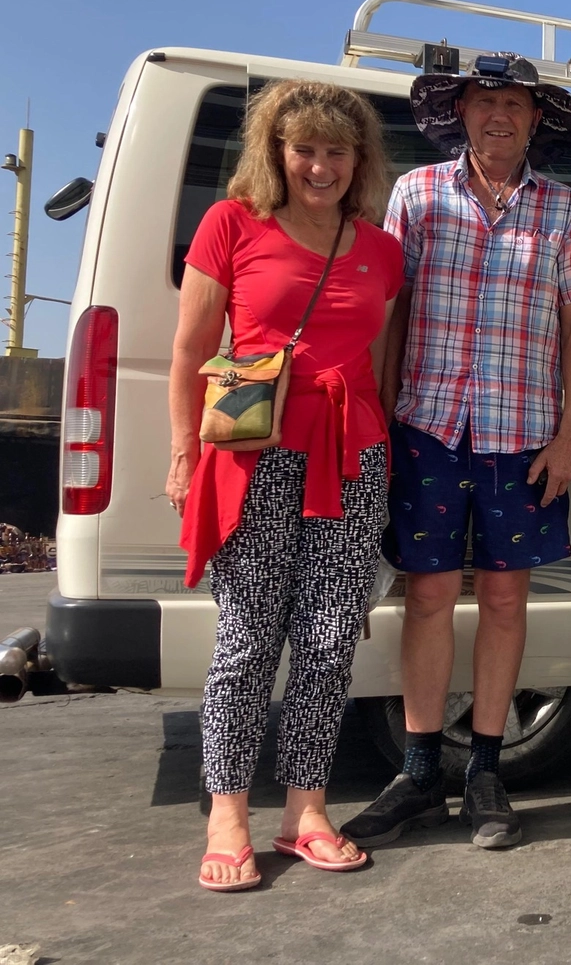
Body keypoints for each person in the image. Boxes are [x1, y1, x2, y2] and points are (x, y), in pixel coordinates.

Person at [342, 53, 571, 851]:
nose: (497, 115)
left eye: (512, 105)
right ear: (462, 114)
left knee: (504, 601)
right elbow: (393, 310)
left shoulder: (563, 209)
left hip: (520, 435)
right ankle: (420, 769)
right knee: (423, 599)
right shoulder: (417, 194)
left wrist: (570, 435)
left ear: (534, 119)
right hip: (427, 426)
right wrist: (381, 424)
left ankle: (484, 767)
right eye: (484, 102)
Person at [167, 80, 404, 891]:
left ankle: (306, 807)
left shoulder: (379, 247)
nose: (320, 165)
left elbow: (380, 363)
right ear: (277, 150)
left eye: (337, 150)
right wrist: (180, 453)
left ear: (358, 160)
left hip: (353, 454)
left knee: (332, 636)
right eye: (304, 147)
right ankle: (227, 809)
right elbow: (190, 348)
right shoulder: (231, 224)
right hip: (255, 451)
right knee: (247, 637)